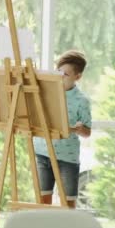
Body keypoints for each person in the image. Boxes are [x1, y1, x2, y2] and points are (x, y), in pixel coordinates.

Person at [33, 50, 92, 208]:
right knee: (42, 202)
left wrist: (80, 129)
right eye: (58, 71)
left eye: (65, 74)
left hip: (67, 158)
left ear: (77, 76)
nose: (60, 76)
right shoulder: (46, 92)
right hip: (42, 153)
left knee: (67, 204)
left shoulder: (82, 100)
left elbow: (87, 132)